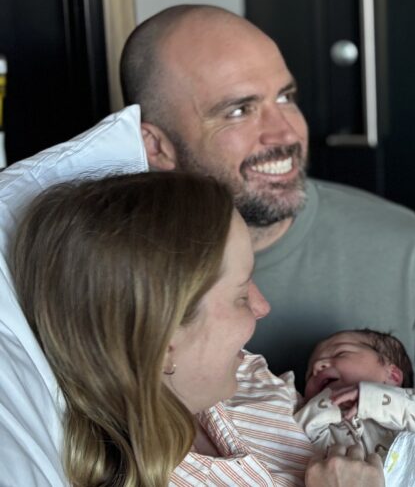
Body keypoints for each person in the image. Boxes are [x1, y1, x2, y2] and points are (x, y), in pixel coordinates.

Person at [119, 5, 415, 475]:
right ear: (156, 145)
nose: (287, 132)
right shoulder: (116, 275)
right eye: (238, 110)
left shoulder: (409, 251)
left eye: (286, 97)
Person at [12, 171, 384, 486]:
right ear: (165, 340)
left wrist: (413, 416)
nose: (262, 307)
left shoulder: (246, 376)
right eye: (241, 295)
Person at [293, 329, 415, 484]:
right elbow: (298, 435)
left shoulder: (409, 404)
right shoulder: (328, 428)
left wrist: (369, 397)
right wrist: (328, 400)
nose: (318, 366)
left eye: (340, 353)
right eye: (310, 374)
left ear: (392, 376)